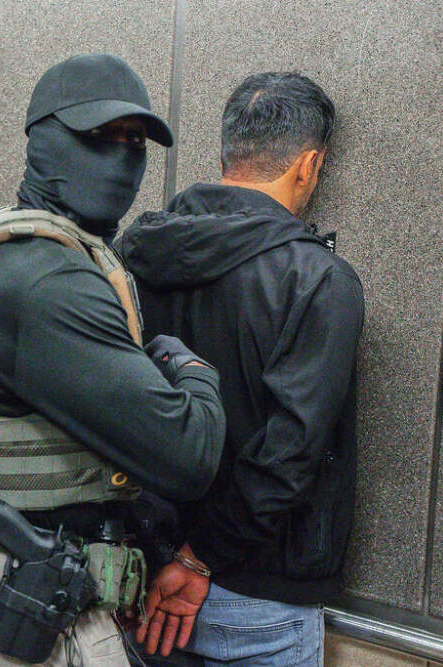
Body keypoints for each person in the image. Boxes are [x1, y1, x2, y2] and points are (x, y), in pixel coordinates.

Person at [0, 54, 226, 667]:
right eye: (97, 137)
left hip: (22, 581)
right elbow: (189, 454)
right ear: (44, 140)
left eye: (133, 142)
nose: (119, 158)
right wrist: (191, 369)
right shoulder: (49, 281)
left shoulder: (10, 246)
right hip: (23, 602)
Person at [120, 72, 362, 666]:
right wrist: (197, 558)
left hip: (137, 578)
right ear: (308, 165)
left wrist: (168, 554)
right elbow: (290, 449)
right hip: (259, 598)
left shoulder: (133, 253)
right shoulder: (319, 282)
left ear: (227, 151)